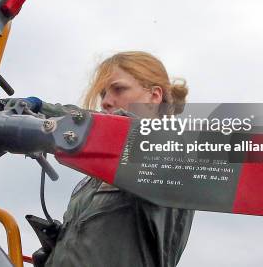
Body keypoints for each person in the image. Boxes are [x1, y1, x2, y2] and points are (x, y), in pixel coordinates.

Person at [38, 51, 195, 267]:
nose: (106, 102)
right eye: (103, 94)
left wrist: (43, 111)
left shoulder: (170, 152)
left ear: (155, 96)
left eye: (119, 89)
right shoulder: (97, 176)